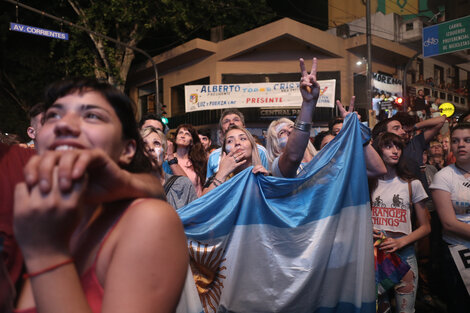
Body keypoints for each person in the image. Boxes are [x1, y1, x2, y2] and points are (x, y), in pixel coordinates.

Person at [14, 79, 188, 313]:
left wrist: (46, 253)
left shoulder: (149, 220)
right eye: (53, 115)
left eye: (92, 116)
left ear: (127, 149)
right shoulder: (36, 208)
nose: (64, 125)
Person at [370, 132, 431, 313]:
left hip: (404, 255)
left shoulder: (412, 183)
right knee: (380, 309)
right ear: (378, 151)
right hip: (376, 256)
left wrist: (401, 242)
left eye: (398, 147)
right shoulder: (368, 183)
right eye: (388, 146)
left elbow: (426, 227)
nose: (395, 151)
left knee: (406, 310)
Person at [429, 122, 470, 312]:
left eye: (467, 140)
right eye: (456, 141)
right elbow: (449, 223)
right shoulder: (445, 176)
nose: (461, 145)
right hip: (457, 252)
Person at [141, 126, 197, 209]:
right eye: (144, 144)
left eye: (156, 143)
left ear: (165, 155)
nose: (150, 148)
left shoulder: (183, 184)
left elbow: (195, 218)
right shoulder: (128, 189)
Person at [202, 125, 268, 195]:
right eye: (230, 141)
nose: (237, 143)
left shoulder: (264, 174)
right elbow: (201, 204)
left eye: (243, 139)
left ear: (252, 146)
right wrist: (222, 174)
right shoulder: (218, 176)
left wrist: (266, 182)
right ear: (225, 151)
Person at [206, 108, 269, 179]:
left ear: (244, 127)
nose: (231, 123)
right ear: (221, 131)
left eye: (236, 120)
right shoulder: (213, 156)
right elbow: (209, 186)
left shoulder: (260, 151)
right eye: (226, 121)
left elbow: (266, 178)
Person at [164, 124, 206, 197]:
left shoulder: (197, 161)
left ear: (192, 142)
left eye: (187, 134)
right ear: (175, 137)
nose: (182, 136)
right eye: (180, 133)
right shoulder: (168, 159)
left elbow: (199, 188)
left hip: (194, 203)